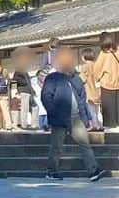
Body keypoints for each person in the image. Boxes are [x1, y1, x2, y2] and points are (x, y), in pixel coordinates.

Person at [41, 48, 106, 182]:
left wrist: (87, 117)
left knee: (84, 143)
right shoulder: (52, 78)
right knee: (57, 146)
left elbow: (82, 99)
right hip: (59, 117)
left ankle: (93, 170)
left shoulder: (75, 78)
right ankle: (51, 170)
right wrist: (52, 113)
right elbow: (46, 96)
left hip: (76, 117)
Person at [92, 34, 119, 130]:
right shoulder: (117, 51)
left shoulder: (103, 54)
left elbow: (96, 72)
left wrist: (96, 81)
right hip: (117, 85)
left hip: (107, 86)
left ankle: (111, 132)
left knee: (109, 113)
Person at [79, 49, 104, 130]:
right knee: (98, 110)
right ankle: (100, 125)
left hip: (89, 91)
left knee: (91, 110)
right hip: (98, 91)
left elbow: (82, 79)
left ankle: (95, 125)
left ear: (84, 57)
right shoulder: (97, 65)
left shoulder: (85, 67)